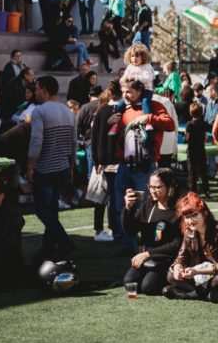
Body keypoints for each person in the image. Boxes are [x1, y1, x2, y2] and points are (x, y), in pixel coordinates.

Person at [111, 77, 176, 254]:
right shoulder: (123, 108)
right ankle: (128, 244)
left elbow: (170, 125)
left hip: (145, 167)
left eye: (128, 92)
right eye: (123, 91)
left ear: (139, 91)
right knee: (121, 206)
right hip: (125, 166)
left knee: (146, 207)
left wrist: (149, 118)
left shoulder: (153, 105)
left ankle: (147, 245)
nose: (124, 95)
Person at [27, 76, 78, 263]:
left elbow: (36, 141)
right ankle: (48, 248)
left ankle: (64, 242)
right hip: (62, 167)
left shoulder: (40, 111)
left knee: (42, 210)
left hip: (46, 168)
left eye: (37, 88)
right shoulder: (68, 112)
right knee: (52, 210)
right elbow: (74, 144)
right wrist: (71, 168)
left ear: (45, 89)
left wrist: (30, 166)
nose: (35, 92)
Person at [120, 168, 182, 295]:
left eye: (158, 187)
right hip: (146, 258)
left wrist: (149, 254)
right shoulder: (148, 206)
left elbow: (176, 245)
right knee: (129, 282)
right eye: (150, 186)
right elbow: (130, 230)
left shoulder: (178, 211)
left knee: (149, 287)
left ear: (170, 187)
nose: (153, 191)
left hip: (165, 259)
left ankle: (172, 284)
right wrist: (128, 208)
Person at [90, 82, 123, 243]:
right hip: (117, 160)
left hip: (102, 160)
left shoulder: (101, 110)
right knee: (115, 197)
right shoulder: (122, 111)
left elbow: (94, 137)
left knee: (100, 197)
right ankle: (115, 229)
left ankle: (99, 229)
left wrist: (96, 160)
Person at [184, 103, 211, 197]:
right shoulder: (203, 123)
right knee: (203, 171)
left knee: (192, 172)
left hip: (191, 150)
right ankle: (206, 190)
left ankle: (193, 191)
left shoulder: (189, 124)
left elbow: (187, 138)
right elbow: (206, 136)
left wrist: (184, 138)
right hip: (201, 149)